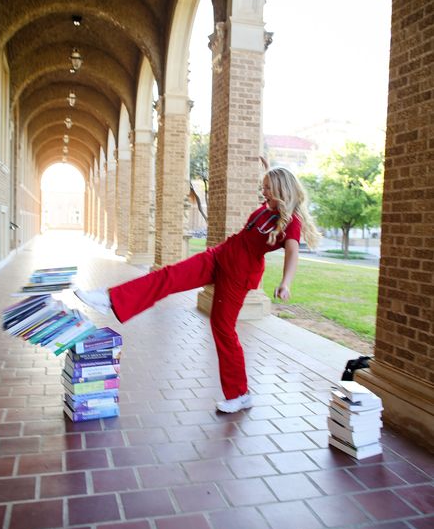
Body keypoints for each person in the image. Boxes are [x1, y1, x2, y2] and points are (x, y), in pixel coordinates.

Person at [75, 166, 319, 413]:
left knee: (222, 328)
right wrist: (268, 169)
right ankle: (110, 299)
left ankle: (240, 393)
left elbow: (292, 251)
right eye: (263, 185)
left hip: (238, 274)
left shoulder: (291, 222)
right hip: (220, 256)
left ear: (280, 189)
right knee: (168, 276)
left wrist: (286, 283)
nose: (262, 191)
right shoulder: (267, 211)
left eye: (267, 187)